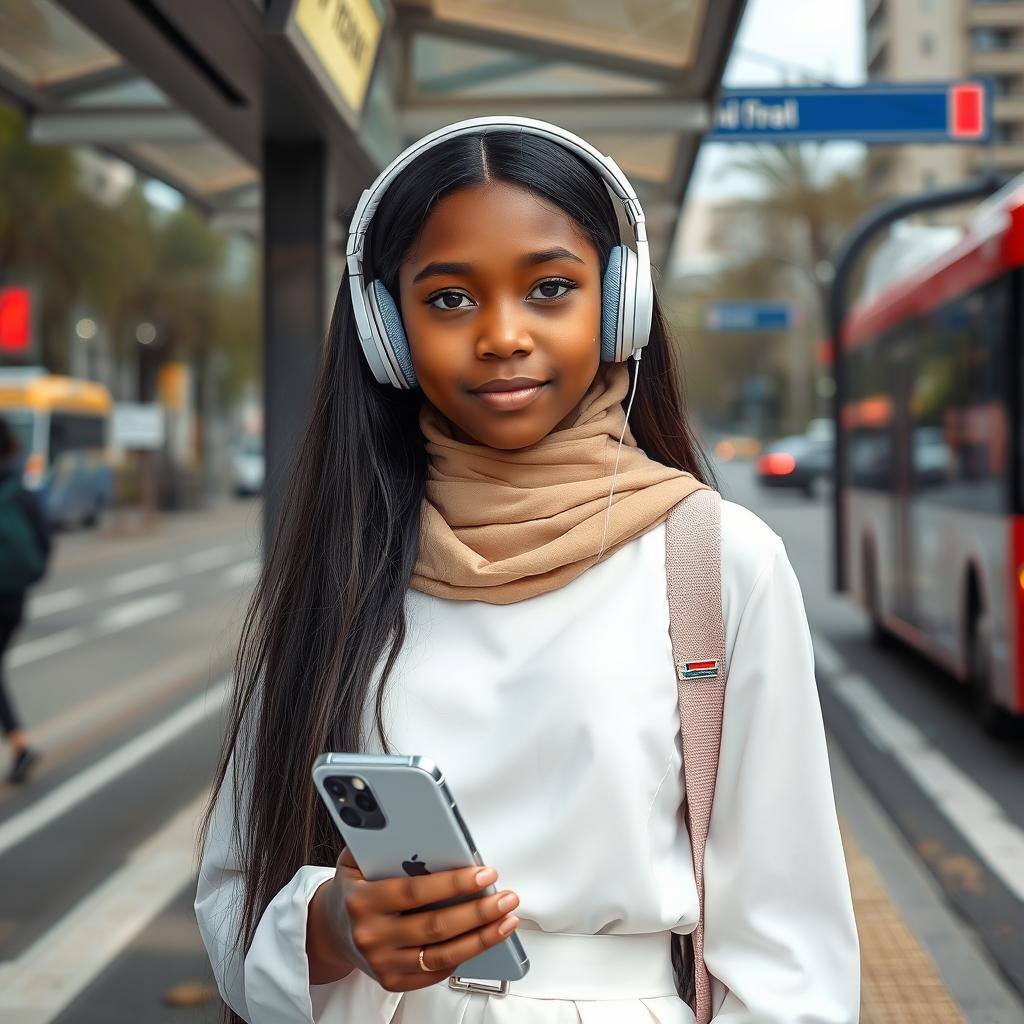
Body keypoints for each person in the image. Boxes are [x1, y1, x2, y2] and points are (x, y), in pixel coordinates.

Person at [196, 119, 860, 1024]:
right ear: (386, 331)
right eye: (449, 300)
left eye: (550, 288)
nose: (503, 336)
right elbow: (232, 890)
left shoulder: (715, 560)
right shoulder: (342, 560)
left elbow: (791, 948)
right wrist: (332, 925)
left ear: (619, 302)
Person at [0, 415, 50, 784]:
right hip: (14, 599)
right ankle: (20, 745)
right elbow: (44, 544)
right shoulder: (22, 491)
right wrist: (28, 578)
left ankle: (20, 745)